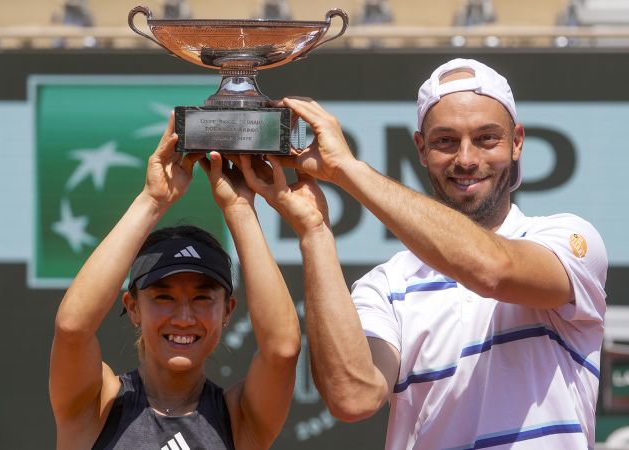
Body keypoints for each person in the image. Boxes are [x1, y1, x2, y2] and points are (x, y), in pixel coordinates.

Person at [240, 58, 608, 449]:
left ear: (517, 142)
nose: (466, 159)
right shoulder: (387, 284)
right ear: (420, 147)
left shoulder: (567, 238)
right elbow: (353, 397)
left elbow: (493, 270)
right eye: (445, 141)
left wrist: (347, 169)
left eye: (487, 138)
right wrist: (315, 232)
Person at [48, 113, 301, 450]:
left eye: (201, 298)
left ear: (228, 310)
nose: (183, 317)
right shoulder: (99, 405)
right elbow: (72, 328)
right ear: (133, 307)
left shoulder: (238, 419)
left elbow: (282, 350)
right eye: (163, 297)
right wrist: (153, 201)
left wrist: (239, 209)